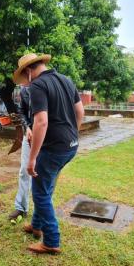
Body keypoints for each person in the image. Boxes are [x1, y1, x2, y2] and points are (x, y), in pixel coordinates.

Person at [13, 53, 85, 254]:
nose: (26, 83)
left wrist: (33, 157)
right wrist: (72, 134)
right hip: (70, 145)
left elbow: (41, 121)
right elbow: (80, 112)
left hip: (53, 148)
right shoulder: (66, 80)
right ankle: (36, 226)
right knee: (45, 186)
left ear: (28, 71)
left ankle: (51, 241)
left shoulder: (37, 85)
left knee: (40, 193)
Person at [8, 84, 33, 221]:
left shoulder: (46, 85)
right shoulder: (25, 90)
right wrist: (28, 126)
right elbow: (22, 111)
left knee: (42, 174)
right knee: (24, 170)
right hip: (29, 136)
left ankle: (43, 211)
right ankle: (21, 207)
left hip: (46, 137)